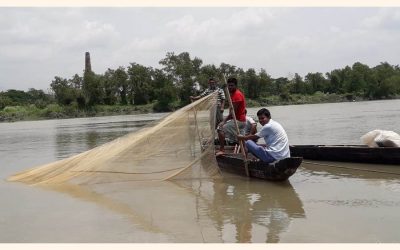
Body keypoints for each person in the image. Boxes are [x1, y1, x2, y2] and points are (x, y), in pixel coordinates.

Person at [216, 77, 246, 156]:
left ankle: (222, 150)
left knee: (220, 129)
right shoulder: (232, 94)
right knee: (241, 139)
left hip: (239, 121)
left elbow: (233, 112)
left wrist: (224, 121)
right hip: (239, 120)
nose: (230, 87)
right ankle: (245, 154)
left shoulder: (237, 95)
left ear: (236, 86)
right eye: (229, 86)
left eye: (232, 85)